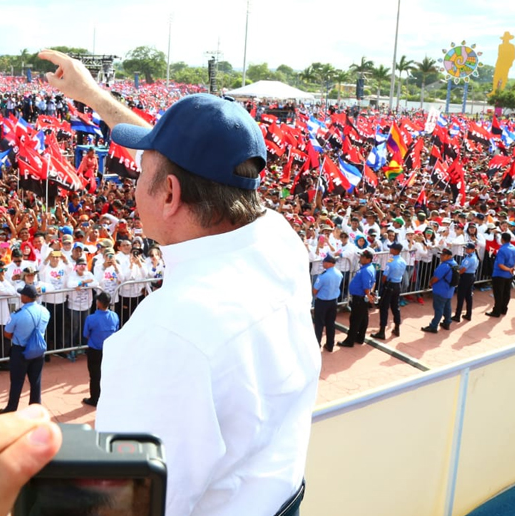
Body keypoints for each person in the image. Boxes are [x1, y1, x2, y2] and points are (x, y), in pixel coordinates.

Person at [40, 50, 320, 516]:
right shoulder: (276, 237)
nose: (133, 180)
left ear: (169, 194)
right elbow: (177, 161)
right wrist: (89, 95)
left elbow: (126, 503)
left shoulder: (169, 332)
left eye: (142, 172)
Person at [0, 284, 50, 414]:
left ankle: (11, 408)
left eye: (22, 294)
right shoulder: (45, 311)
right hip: (38, 350)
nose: (21, 296)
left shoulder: (17, 315)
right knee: (36, 380)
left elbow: (7, 333)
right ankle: (35, 408)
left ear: (26, 297)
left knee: (17, 381)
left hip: (20, 350)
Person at [81, 291, 119, 406]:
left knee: (95, 376)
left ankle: (94, 399)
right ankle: (106, 397)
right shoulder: (114, 316)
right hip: (109, 350)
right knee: (107, 374)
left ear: (98, 303)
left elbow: (86, 334)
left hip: (95, 350)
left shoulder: (91, 318)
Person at [339, 250, 377, 347]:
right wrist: (370, 295)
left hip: (359, 298)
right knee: (363, 318)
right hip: (361, 298)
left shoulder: (366, 270)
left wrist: (369, 296)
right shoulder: (368, 268)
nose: (361, 258)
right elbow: (373, 282)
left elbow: (366, 286)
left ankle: (350, 340)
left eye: (363, 257)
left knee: (355, 319)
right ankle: (360, 337)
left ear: (368, 259)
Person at [372, 242, 407, 339]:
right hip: (397, 285)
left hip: (389, 285)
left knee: (384, 308)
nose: (390, 249)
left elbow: (384, 276)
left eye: (391, 248)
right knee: (396, 307)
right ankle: (397, 327)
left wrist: (384, 284)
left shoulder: (391, 261)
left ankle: (382, 331)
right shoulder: (403, 261)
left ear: (395, 250)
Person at [422, 248, 457, 334]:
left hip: (440, 290)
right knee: (447, 307)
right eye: (441, 254)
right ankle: (447, 322)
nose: (441, 256)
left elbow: (436, 278)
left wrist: (430, 283)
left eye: (443, 255)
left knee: (439, 309)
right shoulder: (454, 263)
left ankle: (433, 326)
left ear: (449, 256)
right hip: (449, 291)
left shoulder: (444, 266)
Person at [312, 255, 342, 352]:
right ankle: (330, 345)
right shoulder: (339, 274)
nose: (323, 264)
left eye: (324, 262)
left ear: (329, 263)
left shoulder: (323, 276)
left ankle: (317, 344)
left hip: (322, 302)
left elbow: (315, 290)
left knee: (319, 324)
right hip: (333, 302)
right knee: (330, 324)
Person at [486, 232, 515, 318]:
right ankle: (503, 309)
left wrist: (509, 269)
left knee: (498, 293)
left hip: (499, 275)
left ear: (502, 239)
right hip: (509, 275)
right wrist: (513, 268)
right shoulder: (513, 247)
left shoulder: (502, 250)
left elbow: (500, 265)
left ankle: (496, 311)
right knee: (506, 292)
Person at [453, 243, 479, 322]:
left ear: (473, 249)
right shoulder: (471, 256)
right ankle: (468, 314)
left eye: (468, 249)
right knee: (468, 296)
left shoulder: (470, 258)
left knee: (461, 296)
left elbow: (463, 269)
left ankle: (457, 316)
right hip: (470, 276)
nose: (466, 250)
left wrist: (457, 275)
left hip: (466, 277)